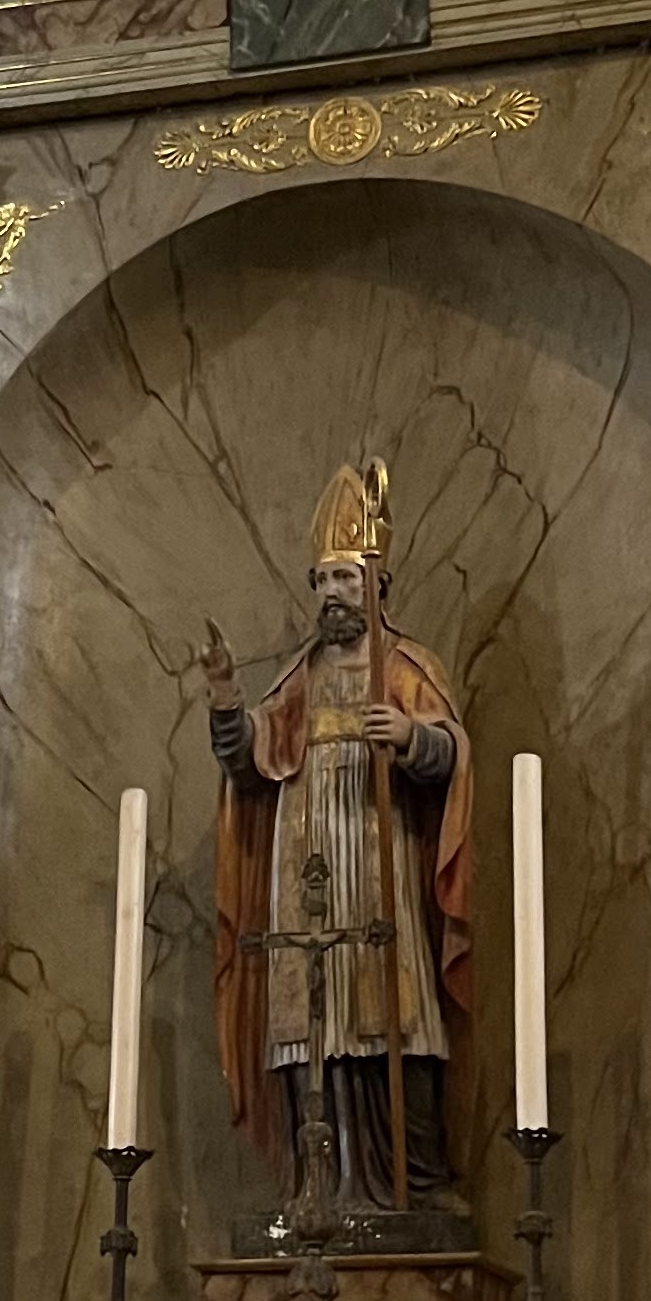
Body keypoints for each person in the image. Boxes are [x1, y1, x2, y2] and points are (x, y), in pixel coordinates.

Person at [205, 463, 471, 1223]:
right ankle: (313, 1182)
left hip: (381, 863)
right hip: (305, 870)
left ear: (378, 584)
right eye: (322, 579)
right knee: (307, 1025)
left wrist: (413, 737)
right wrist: (225, 700)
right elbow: (248, 758)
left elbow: (454, 754)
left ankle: (415, 1179)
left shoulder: (408, 668)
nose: (331, 593)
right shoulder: (299, 676)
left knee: (396, 1013)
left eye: (346, 578)